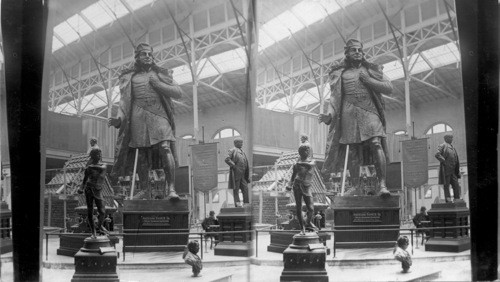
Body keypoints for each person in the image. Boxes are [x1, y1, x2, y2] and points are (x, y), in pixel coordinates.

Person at [108, 42, 183, 200]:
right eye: (144, 54)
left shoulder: (161, 74)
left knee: (165, 147)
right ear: (137, 57)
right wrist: (118, 120)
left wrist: (158, 85)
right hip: (138, 116)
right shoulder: (129, 77)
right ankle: (144, 190)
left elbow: (178, 92)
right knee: (141, 154)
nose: (148, 56)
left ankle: (171, 189)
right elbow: (124, 103)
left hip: (159, 115)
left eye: (150, 54)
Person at [318, 38, 393, 196]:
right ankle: (356, 186)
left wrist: (369, 81)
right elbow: (335, 99)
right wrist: (329, 115)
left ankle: (382, 185)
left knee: (375, 142)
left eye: (360, 50)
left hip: (369, 110)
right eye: (354, 50)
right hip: (348, 113)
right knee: (353, 151)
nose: (358, 52)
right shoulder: (340, 73)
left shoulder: (371, 69)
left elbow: (389, 88)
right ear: (347, 53)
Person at [286, 143, 318, 235]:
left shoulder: (312, 161)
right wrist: (289, 185)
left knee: (311, 208)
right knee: (298, 207)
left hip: (307, 186)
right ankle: (302, 228)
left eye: (308, 150)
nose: (307, 152)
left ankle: (307, 223)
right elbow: (293, 176)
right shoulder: (296, 164)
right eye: (305, 150)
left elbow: (310, 166)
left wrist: (298, 163)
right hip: (297, 185)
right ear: (300, 152)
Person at [78, 148, 107, 238]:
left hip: (98, 190)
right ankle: (93, 232)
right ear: (93, 156)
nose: (99, 156)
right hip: (89, 189)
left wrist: (89, 166)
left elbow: (101, 168)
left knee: (102, 211)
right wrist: (81, 188)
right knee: (90, 211)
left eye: (100, 154)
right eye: (97, 154)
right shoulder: (89, 168)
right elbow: (84, 180)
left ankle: (98, 227)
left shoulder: (103, 165)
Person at [435, 134, 461, 203]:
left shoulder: (453, 148)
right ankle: (448, 200)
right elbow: (437, 154)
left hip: (453, 170)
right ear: (446, 138)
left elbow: (456, 159)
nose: (452, 139)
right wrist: (444, 161)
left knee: (456, 185)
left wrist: (457, 170)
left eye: (452, 138)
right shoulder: (443, 145)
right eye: (450, 138)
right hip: (446, 170)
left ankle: (457, 199)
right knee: (446, 186)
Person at [225, 137, 250, 207]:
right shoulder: (232, 150)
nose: (242, 144)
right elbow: (227, 159)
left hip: (243, 175)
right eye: (240, 142)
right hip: (236, 174)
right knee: (236, 190)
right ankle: (237, 204)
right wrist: (234, 166)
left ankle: (246, 204)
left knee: (245, 189)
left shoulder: (243, 152)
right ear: (235, 143)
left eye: (242, 142)